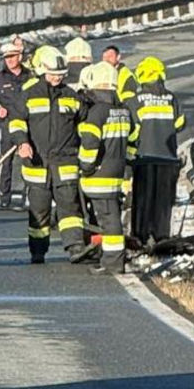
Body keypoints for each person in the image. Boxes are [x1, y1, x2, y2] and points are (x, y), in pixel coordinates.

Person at [8, 45, 86, 264]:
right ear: (43, 71)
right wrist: (22, 142)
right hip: (38, 164)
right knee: (38, 212)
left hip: (66, 162)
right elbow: (15, 122)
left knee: (70, 209)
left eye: (60, 76)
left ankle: (75, 247)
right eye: (53, 75)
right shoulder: (29, 95)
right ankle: (38, 251)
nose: (56, 79)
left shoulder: (72, 97)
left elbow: (84, 125)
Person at [77, 61, 133, 273]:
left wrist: (85, 166)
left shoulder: (97, 113)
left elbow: (90, 144)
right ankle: (111, 259)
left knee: (109, 222)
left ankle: (112, 263)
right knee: (111, 218)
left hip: (99, 175)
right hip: (116, 172)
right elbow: (131, 141)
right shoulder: (122, 110)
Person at [130, 56, 185, 247]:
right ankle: (161, 236)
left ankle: (140, 236)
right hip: (168, 157)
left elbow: (132, 130)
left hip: (144, 156)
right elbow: (180, 124)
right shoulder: (171, 98)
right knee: (163, 201)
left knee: (142, 199)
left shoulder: (136, 100)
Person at [0, 41, 31, 208]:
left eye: (12, 56)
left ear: (19, 56)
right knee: (6, 162)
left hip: (27, 125)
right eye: (6, 57)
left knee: (28, 160)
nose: (10, 60)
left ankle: (27, 196)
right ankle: (4, 198)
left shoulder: (30, 77)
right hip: (6, 126)